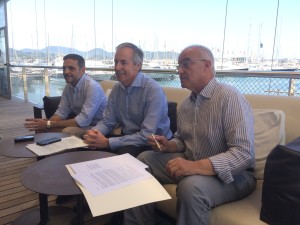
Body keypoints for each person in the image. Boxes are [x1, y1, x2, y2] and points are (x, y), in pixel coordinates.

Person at [123, 45, 256, 225]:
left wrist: (196, 167)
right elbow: (182, 139)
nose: (179, 70)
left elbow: (244, 154)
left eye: (186, 64)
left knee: (191, 187)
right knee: (142, 160)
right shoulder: (187, 103)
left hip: (236, 175)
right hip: (194, 161)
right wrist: (169, 145)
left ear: (207, 65)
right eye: (178, 65)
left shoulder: (229, 97)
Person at [83, 42, 173, 157]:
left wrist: (107, 143)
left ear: (138, 66)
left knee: (122, 157)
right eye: (116, 62)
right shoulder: (116, 89)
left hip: (153, 143)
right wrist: (94, 133)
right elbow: (107, 121)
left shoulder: (153, 90)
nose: (117, 67)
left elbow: (146, 135)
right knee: (86, 146)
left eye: (123, 62)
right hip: (127, 138)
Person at [24, 54, 107, 137]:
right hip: (84, 123)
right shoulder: (69, 86)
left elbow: (82, 120)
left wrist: (49, 124)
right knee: (42, 127)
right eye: (64, 68)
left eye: (71, 68)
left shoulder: (92, 87)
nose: (66, 72)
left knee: (66, 131)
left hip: (99, 125)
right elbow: (61, 112)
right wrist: (46, 124)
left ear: (82, 70)